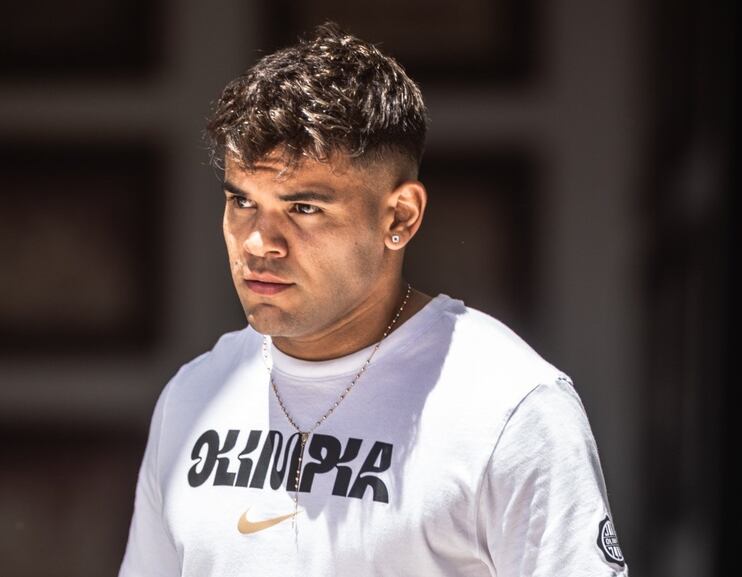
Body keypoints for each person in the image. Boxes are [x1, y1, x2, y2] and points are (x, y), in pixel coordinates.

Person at [118, 20, 629, 577]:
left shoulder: (509, 408)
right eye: (242, 202)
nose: (259, 243)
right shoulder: (194, 396)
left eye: (303, 208)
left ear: (399, 217)